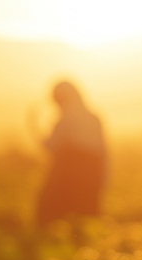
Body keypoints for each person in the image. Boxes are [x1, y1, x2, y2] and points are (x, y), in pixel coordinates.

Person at [35, 81, 106, 225]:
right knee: (86, 218)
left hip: (67, 176)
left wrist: (33, 126)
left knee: (53, 215)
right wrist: (104, 175)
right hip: (92, 173)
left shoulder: (66, 119)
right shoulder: (93, 117)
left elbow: (51, 146)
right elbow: (104, 151)